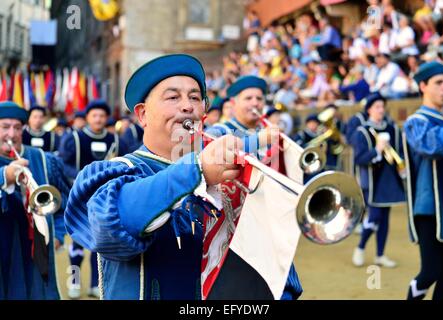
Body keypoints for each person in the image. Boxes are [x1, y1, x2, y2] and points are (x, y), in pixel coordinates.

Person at [64, 54, 300, 300]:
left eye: (195, 98)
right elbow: (112, 224)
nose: (187, 106)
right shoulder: (116, 171)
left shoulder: (237, 177)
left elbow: (275, 271)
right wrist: (197, 170)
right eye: (173, 97)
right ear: (143, 114)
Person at [206, 75, 302, 299]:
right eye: (248, 97)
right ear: (232, 104)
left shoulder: (270, 133)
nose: (255, 103)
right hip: (235, 228)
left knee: (280, 288)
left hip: (270, 223)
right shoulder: (220, 130)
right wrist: (259, 139)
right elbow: (218, 154)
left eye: (259, 98)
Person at [0, 101, 69, 299]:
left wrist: (58, 234)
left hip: (35, 248)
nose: (11, 135)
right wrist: (6, 175)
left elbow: (63, 200)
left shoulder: (42, 159)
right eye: (4, 127)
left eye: (17, 128)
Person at [59, 99, 127, 299]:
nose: (98, 119)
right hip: (81, 198)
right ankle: (74, 281)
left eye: (101, 116)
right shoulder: (74, 138)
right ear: (87, 118)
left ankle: (96, 284)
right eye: (94, 115)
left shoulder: (116, 141)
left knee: (101, 244)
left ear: (106, 118)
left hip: (106, 200)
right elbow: (64, 165)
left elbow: (126, 163)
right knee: (78, 244)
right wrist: (85, 177)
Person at [403, 61, 443, 300]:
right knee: (431, 271)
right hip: (430, 209)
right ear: (423, 86)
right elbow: (431, 145)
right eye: (438, 83)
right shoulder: (415, 121)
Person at [351, 92, 406, 268]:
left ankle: (380, 255)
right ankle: (360, 248)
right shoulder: (363, 131)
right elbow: (359, 158)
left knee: (385, 219)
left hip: (388, 180)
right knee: (374, 217)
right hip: (372, 181)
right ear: (369, 110)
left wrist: (402, 167)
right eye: (377, 107)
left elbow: (400, 153)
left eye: (382, 107)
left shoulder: (392, 128)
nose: (381, 110)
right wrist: (377, 150)